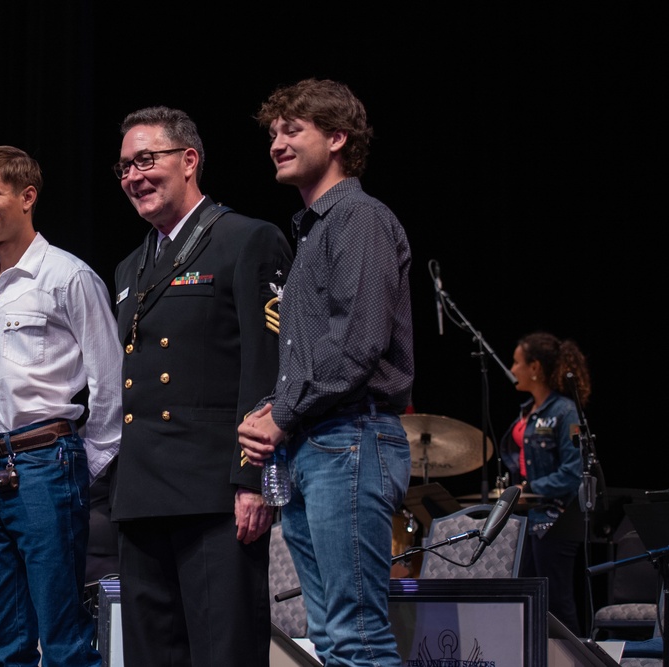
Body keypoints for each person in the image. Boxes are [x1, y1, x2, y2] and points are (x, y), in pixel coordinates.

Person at [239, 78, 414, 667]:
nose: (277, 143)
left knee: (357, 636)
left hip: (351, 440)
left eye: (293, 130)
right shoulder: (314, 231)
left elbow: (358, 344)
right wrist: (274, 410)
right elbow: (316, 351)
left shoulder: (359, 218)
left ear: (337, 138)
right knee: (335, 637)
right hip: (318, 444)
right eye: (273, 134)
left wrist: (281, 415)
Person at [110, 106, 293, 667]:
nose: (134, 176)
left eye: (146, 160)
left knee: (224, 655)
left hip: (214, 493)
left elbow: (268, 371)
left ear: (189, 161)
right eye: (123, 168)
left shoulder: (246, 240)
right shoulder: (127, 269)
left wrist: (253, 480)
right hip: (142, 496)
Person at [0, 146, 121, 667]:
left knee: (63, 635)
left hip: (45, 461)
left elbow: (110, 379)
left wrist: (84, 463)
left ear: (26, 197)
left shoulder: (67, 276)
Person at [499, 331, 590, 635]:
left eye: (517, 362)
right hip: (529, 519)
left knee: (558, 604)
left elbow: (573, 473)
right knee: (525, 600)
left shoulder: (565, 412)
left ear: (534, 367)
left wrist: (532, 488)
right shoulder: (529, 412)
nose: (512, 369)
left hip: (555, 519)